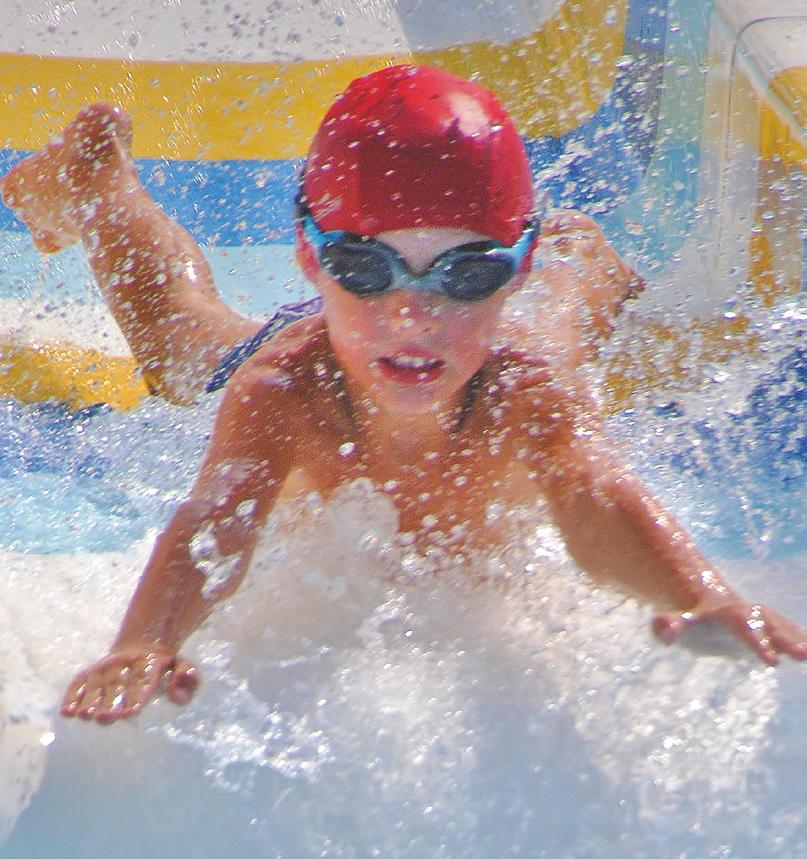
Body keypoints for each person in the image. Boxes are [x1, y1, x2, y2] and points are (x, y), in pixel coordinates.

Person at [3, 65, 805, 726]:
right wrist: (145, 641)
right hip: (323, 347)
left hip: (507, 337)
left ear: (506, 267)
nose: (411, 315)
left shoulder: (524, 386)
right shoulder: (282, 389)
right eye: (363, 267)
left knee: (555, 330)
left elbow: (591, 494)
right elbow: (217, 519)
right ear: (310, 261)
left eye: (467, 271)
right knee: (179, 341)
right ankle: (97, 184)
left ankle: (572, 256)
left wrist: (699, 595)